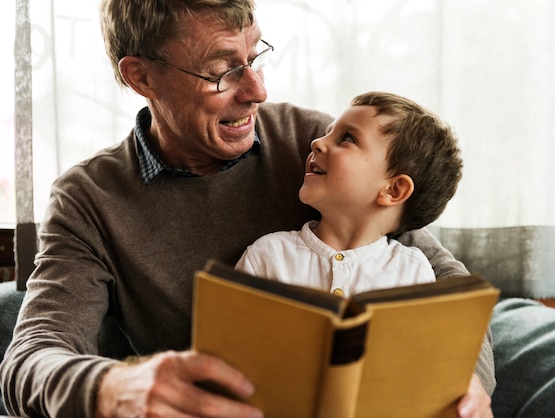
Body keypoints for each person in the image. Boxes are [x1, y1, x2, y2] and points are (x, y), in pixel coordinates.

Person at [0, 1, 494, 417]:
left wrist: (462, 387)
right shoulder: (88, 198)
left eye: (254, 58)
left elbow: (450, 290)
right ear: (141, 76)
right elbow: (29, 361)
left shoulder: (311, 145)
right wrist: (115, 387)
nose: (257, 91)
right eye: (221, 72)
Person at [236, 91, 462, 299]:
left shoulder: (414, 273)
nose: (317, 143)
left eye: (347, 138)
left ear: (393, 191)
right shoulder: (267, 257)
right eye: (328, 133)